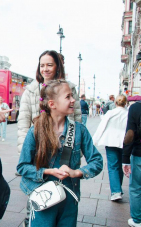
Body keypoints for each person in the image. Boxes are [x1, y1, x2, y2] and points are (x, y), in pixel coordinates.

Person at [17, 80, 103, 227]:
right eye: (68, 97)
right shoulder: (36, 131)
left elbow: (97, 161)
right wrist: (48, 171)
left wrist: (76, 173)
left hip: (69, 197)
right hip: (43, 196)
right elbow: (22, 167)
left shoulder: (79, 130)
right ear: (52, 104)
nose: (73, 100)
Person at [16, 50, 81, 226]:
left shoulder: (69, 89)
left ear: (57, 66)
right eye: (42, 65)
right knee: (38, 193)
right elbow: (23, 122)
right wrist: (24, 150)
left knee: (62, 193)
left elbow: (76, 118)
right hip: (38, 149)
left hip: (63, 150)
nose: (45, 69)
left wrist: (75, 147)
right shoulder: (31, 91)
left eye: (49, 65)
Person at [92, 95, 128, 201]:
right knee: (121, 165)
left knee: (113, 167)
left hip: (110, 141)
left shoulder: (110, 113)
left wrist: (95, 140)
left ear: (115, 103)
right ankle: (118, 189)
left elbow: (102, 126)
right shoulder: (128, 114)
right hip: (124, 142)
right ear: (125, 103)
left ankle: (116, 192)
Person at [122, 100, 141, 227]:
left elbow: (130, 134)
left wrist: (125, 159)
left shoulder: (136, 108)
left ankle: (137, 220)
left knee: (136, 187)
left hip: (139, 154)